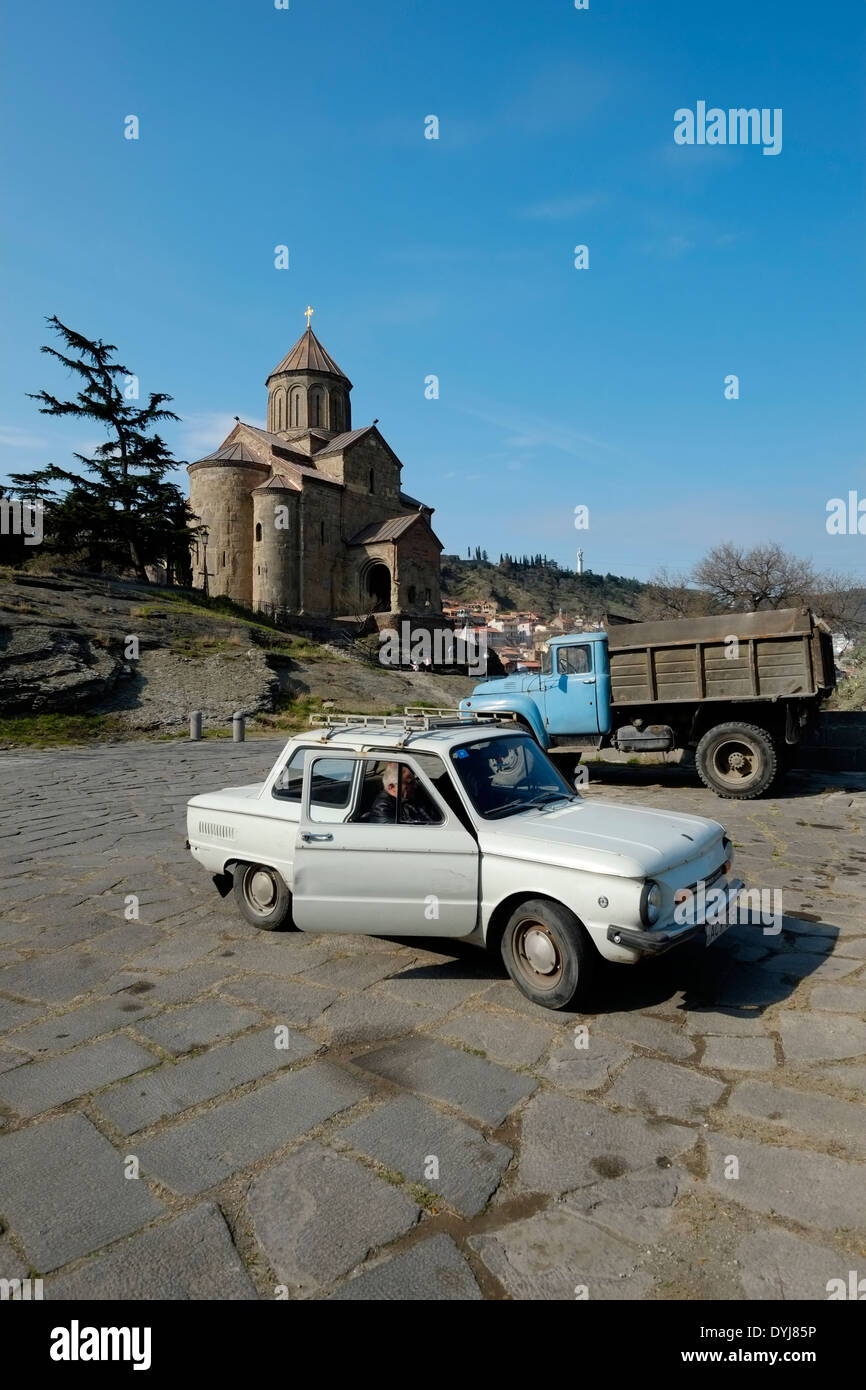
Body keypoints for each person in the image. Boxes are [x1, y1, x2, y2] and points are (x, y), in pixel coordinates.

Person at [366, 762, 438, 824]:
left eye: (414, 781)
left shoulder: (411, 796)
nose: (415, 786)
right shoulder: (382, 809)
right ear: (391, 787)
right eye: (410, 783)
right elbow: (403, 835)